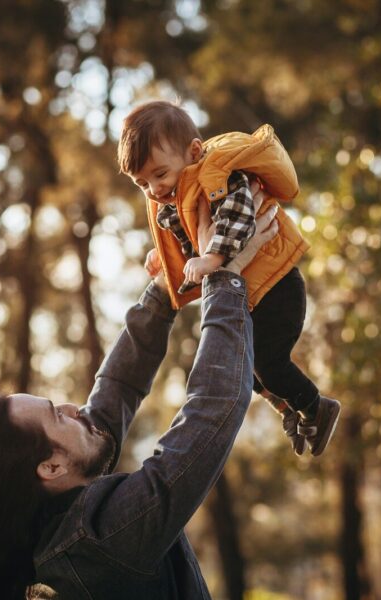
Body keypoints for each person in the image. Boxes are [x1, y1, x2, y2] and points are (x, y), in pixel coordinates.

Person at [0, 200, 279, 599]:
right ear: (51, 466)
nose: (75, 409)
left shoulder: (58, 522)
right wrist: (225, 278)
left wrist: (164, 288)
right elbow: (213, 408)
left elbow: (117, 390)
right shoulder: (104, 540)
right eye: (57, 415)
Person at [117, 100, 340, 457]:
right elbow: (193, 241)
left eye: (159, 174)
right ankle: (287, 409)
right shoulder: (176, 200)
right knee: (243, 367)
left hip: (279, 288)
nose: (154, 189)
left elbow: (238, 219)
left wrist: (212, 258)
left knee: (269, 363)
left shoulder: (218, 174)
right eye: (141, 183)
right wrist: (165, 256)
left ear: (192, 152)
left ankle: (316, 407)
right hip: (254, 293)